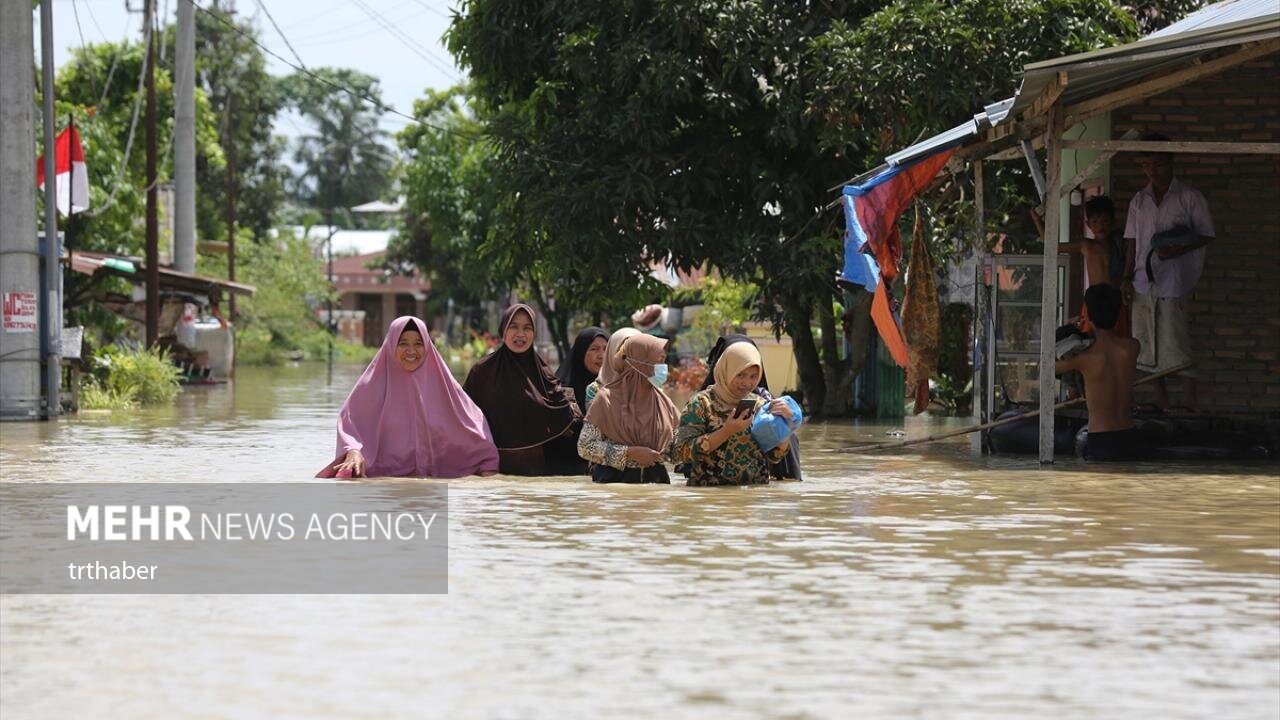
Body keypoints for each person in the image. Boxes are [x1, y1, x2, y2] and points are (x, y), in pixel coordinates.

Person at [317, 316, 499, 479]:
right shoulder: (369, 387)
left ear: (428, 346)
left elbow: (474, 428)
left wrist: (490, 477)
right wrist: (353, 451)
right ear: (391, 345)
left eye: (418, 343)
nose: (411, 350)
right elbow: (350, 423)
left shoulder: (444, 386)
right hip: (383, 489)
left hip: (431, 491)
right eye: (403, 343)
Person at [1121, 132, 1215, 411]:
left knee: (1177, 342)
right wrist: (1126, 277)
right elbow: (1132, 242)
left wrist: (1178, 250)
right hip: (1142, 281)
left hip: (1175, 282)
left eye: (1159, 164)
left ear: (1171, 162)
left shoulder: (1189, 197)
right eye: (1147, 165)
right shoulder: (1139, 201)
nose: (1153, 171)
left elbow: (1206, 234)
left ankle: (1189, 402)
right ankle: (1161, 402)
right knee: (1145, 344)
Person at [463, 304, 584, 475]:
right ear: (503, 330)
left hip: (534, 471)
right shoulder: (482, 371)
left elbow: (564, 415)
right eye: (514, 327)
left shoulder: (543, 374)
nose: (520, 334)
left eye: (527, 328)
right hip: (490, 472)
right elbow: (464, 418)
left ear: (534, 334)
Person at [673, 342, 794, 486]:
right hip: (710, 498)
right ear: (727, 371)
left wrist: (786, 427)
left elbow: (774, 456)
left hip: (753, 498)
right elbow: (680, 452)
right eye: (740, 375)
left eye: (753, 376)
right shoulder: (701, 404)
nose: (747, 383)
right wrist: (726, 431)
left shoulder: (760, 405)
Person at [1056, 285, 1143, 461]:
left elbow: (1046, 368)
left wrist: (1066, 334)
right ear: (1118, 314)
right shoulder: (1133, 347)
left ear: (1088, 316)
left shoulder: (1084, 358)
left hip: (1102, 438)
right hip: (1130, 434)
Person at [577, 333, 679, 483]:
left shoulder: (663, 401)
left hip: (656, 483)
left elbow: (678, 446)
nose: (663, 368)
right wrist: (630, 453)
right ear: (641, 362)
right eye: (659, 361)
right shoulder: (606, 399)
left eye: (664, 361)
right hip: (614, 485)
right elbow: (586, 447)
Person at [582, 327, 640, 413]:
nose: (601, 356)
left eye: (637, 351)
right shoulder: (596, 390)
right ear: (613, 352)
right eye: (624, 352)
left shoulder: (654, 387)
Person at [556, 326, 609, 415]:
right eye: (594, 349)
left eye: (606, 349)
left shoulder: (615, 386)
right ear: (581, 353)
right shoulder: (563, 391)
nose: (601, 356)